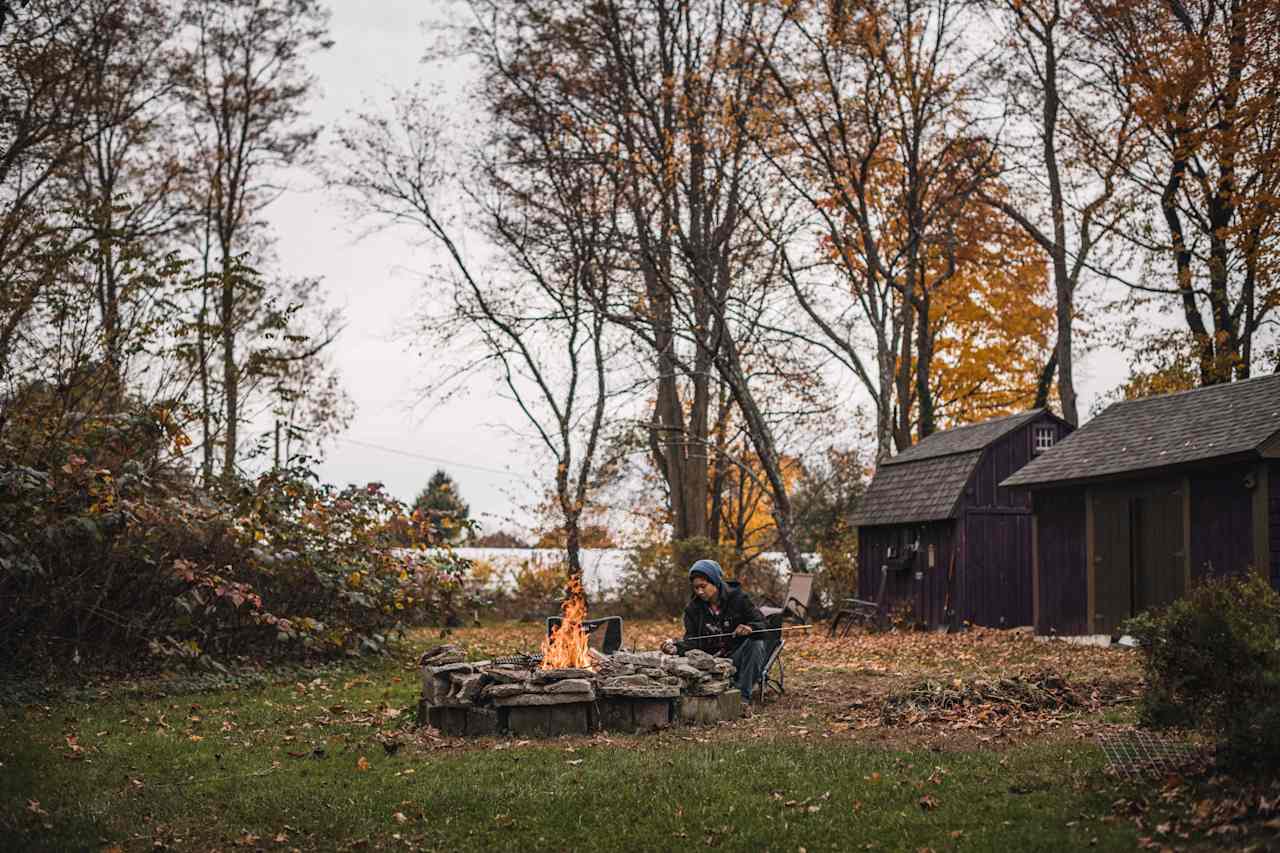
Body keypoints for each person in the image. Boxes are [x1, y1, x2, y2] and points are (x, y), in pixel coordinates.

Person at [661, 559, 768, 707]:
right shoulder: (693, 609)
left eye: (703, 586)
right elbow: (692, 641)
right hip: (712, 662)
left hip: (736, 658)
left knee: (756, 643)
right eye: (696, 588)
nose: (699, 592)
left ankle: (742, 697)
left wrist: (751, 628)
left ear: (715, 582)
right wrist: (676, 647)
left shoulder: (739, 599)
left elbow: (763, 625)